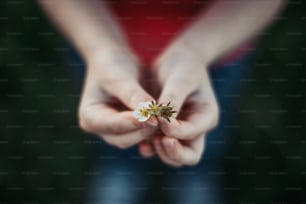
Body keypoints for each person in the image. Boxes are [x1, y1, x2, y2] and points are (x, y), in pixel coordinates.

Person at [38, 0, 287, 203]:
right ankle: (120, 167)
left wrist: (195, 51)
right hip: (97, 39)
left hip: (218, 49)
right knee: (117, 126)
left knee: (203, 125)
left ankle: (196, 173)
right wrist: (102, 50)